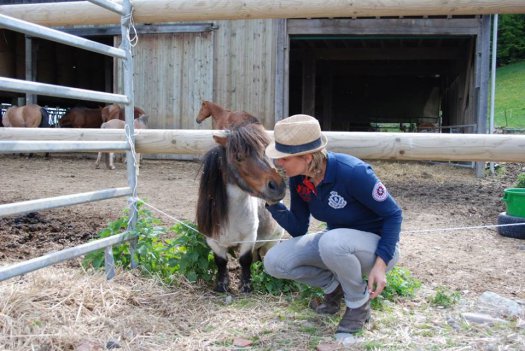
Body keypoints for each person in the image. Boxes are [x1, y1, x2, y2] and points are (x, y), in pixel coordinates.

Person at [263, 114, 402, 335]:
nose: (278, 163)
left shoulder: (353, 172)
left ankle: (358, 305)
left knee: (331, 241)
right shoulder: (300, 178)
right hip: (336, 246)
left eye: (284, 158)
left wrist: (381, 265)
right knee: (275, 261)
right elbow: (299, 228)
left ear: (307, 157)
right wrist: (272, 202)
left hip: (375, 249)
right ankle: (335, 289)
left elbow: (394, 215)